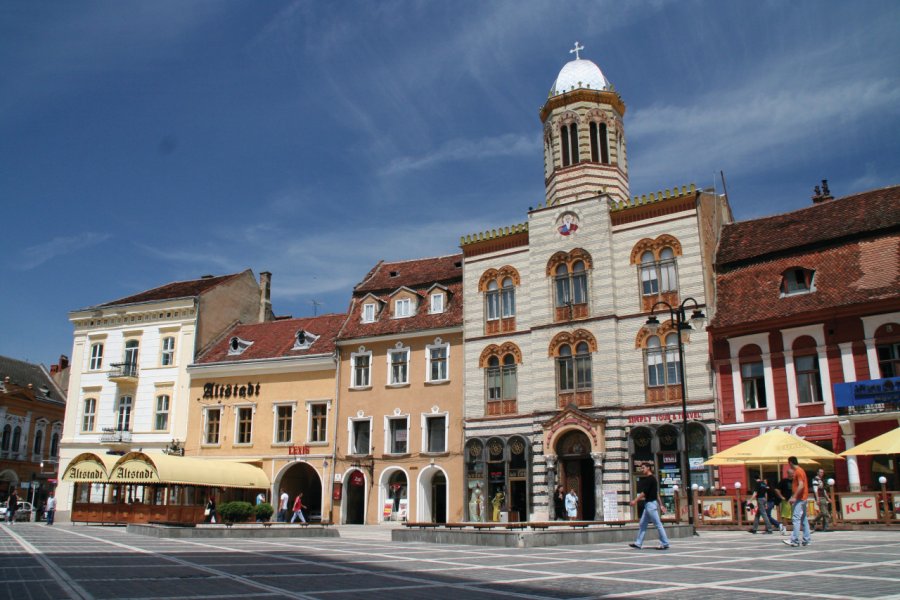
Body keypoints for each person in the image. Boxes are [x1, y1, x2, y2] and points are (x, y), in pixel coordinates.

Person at [629, 462, 670, 550]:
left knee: (658, 524)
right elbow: (656, 493)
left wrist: (635, 501)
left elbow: (644, 493)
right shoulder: (652, 479)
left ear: (648, 468)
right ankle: (638, 543)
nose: (642, 469)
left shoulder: (650, 479)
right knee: (642, 524)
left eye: (643, 468)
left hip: (650, 505)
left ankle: (665, 542)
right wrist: (661, 505)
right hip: (649, 504)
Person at [783, 456, 811, 547]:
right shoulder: (800, 470)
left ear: (790, 463)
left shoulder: (798, 471)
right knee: (803, 519)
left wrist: (794, 497)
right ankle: (806, 539)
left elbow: (801, 485)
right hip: (803, 497)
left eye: (788, 463)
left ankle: (794, 540)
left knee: (796, 518)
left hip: (800, 498)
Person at [774, 469, 793, 535]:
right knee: (785, 515)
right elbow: (776, 489)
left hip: (794, 500)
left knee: (795, 515)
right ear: (788, 473)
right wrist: (781, 496)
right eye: (791, 473)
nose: (793, 474)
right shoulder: (784, 481)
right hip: (786, 500)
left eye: (793, 473)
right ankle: (784, 529)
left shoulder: (795, 481)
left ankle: (798, 529)